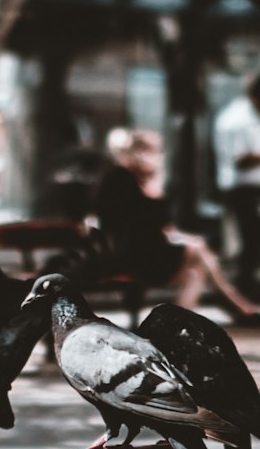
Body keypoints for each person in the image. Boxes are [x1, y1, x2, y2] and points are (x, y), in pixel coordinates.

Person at [93, 126, 260, 317]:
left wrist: (154, 184)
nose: (155, 157)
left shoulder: (145, 181)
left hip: (150, 251)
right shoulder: (120, 178)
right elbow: (133, 225)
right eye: (148, 151)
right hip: (129, 254)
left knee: (195, 272)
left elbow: (161, 225)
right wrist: (153, 187)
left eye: (157, 151)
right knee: (197, 248)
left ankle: (176, 325)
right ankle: (235, 303)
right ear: (133, 153)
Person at [213, 75, 260, 299]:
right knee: (250, 239)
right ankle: (245, 291)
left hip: (252, 186)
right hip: (241, 188)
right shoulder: (236, 119)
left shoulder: (251, 115)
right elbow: (239, 160)